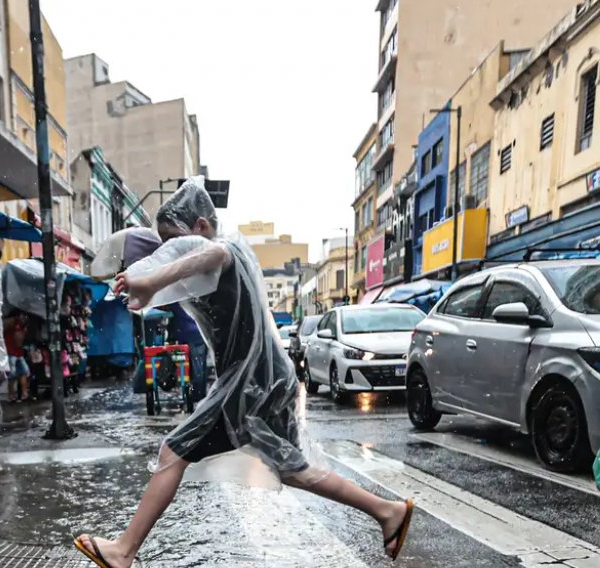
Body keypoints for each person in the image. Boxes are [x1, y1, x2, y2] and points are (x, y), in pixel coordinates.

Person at [75, 179, 414, 568]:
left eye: (176, 241)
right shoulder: (208, 269)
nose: (171, 251)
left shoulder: (225, 249)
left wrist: (152, 279)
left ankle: (124, 550)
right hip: (265, 380)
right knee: (292, 468)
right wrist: (148, 286)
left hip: (250, 384)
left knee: (174, 450)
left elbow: (212, 255)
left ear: (201, 226)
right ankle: (387, 511)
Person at [4, 312, 29, 402]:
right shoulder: (13, 322)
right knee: (12, 375)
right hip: (11, 352)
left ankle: (23, 393)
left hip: (18, 353)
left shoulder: (22, 325)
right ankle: (12, 395)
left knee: (22, 373)